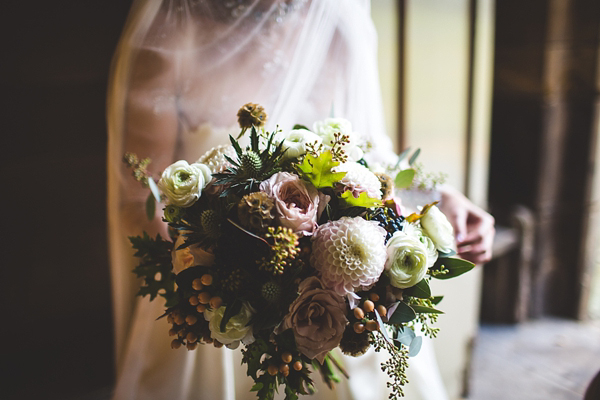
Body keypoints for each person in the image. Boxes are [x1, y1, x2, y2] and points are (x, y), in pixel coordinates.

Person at [107, 1, 495, 399]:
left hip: (340, 295)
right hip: (215, 301)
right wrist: (236, 291)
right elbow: (140, 202)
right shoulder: (170, 30)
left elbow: (368, 155)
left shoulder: (337, 18)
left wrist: (439, 200)